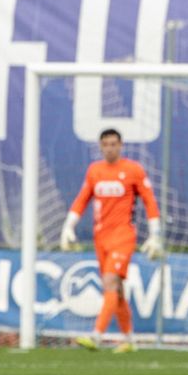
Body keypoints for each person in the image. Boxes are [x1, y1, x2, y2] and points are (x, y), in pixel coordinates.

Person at [60, 128, 163, 353]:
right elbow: (82, 199)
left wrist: (155, 234)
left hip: (123, 236)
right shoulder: (95, 171)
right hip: (101, 238)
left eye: (113, 143)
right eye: (105, 144)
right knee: (116, 291)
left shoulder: (133, 170)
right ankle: (129, 340)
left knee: (110, 281)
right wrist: (69, 225)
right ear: (100, 146)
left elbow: (149, 201)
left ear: (121, 145)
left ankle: (96, 336)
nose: (109, 148)